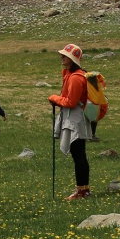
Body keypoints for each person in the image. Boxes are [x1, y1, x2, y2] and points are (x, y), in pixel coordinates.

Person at [47, 44, 93, 200]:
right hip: (76, 116)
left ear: (72, 59)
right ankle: (83, 189)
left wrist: (54, 98)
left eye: (65, 56)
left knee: (78, 153)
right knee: (79, 153)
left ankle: (82, 191)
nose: (62, 57)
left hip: (74, 117)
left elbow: (71, 102)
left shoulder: (75, 78)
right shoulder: (74, 75)